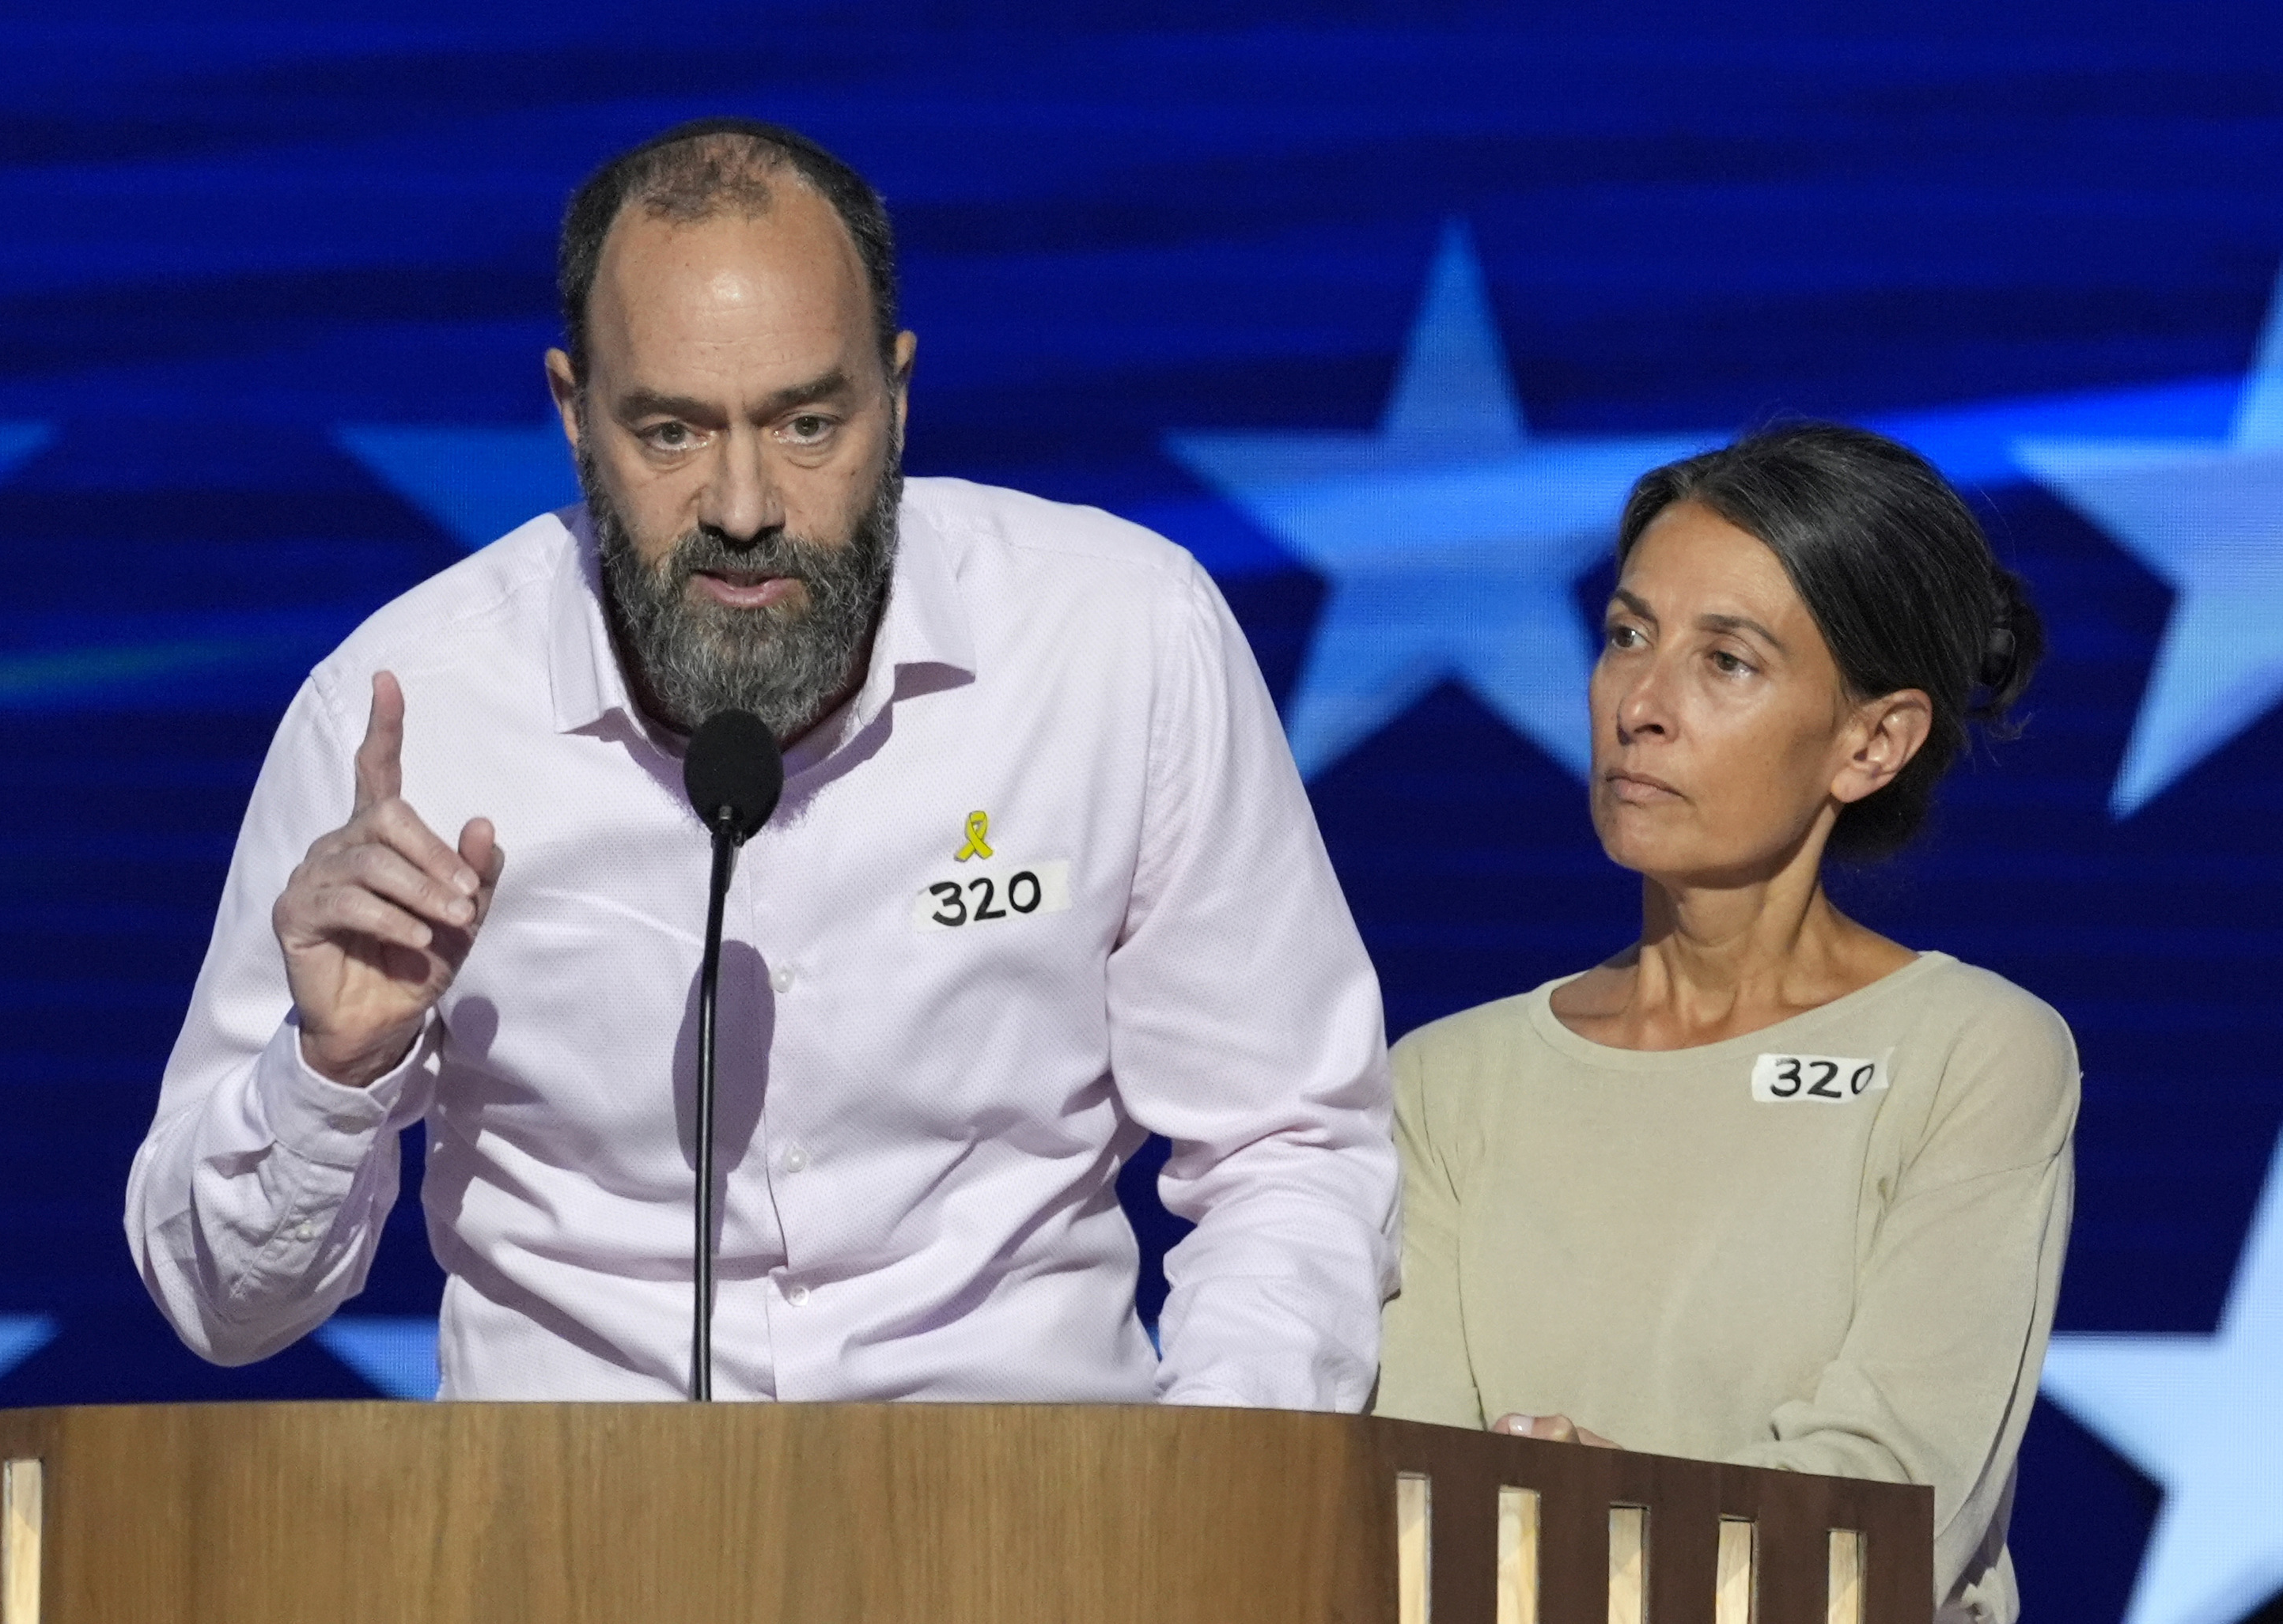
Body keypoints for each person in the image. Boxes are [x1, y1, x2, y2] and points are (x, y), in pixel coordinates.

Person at [126, 119, 1395, 1408]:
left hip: (1031, 1524)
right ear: (573, 416)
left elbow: (1291, 1144)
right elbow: (222, 1306)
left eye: (805, 424)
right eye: (671, 433)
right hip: (565, 1549)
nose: (742, 506)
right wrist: (329, 1073)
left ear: (896, 397)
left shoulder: (1122, 644)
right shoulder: (409, 718)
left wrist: (1204, 1513)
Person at [1373, 425, 2074, 1622]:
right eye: (1627, 635)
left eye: (1728, 661)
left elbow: (1888, 1520)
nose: (1641, 704)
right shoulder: (1441, 1081)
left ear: (1872, 741)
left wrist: (1602, 1527)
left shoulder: (1973, 1052)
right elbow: (1409, 1521)